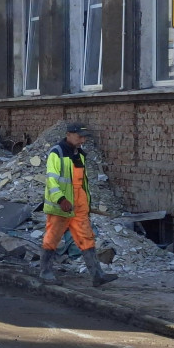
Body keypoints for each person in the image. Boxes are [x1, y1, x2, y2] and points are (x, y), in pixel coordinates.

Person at [39, 122, 118, 287]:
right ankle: (45, 272)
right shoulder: (57, 153)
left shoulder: (80, 155)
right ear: (69, 134)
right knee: (52, 238)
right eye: (79, 136)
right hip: (61, 206)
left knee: (87, 238)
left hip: (79, 206)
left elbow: (82, 183)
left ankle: (98, 275)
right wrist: (61, 199)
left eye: (84, 137)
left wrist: (86, 204)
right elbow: (52, 180)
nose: (82, 140)